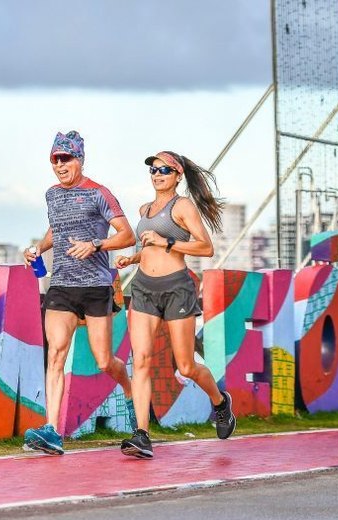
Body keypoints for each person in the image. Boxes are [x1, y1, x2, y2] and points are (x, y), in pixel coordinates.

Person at [22, 130, 138, 455]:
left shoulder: (99, 193)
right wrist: (37, 247)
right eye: (55, 159)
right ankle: (51, 431)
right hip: (61, 285)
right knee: (56, 354)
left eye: (66, 158)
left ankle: (129, 389)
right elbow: (56, 229)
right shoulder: (51, 195)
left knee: (104, 361)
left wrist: (96, 244)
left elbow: (127, 235)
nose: (60, 165)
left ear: (79, 160)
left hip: (96, 286)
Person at [116, 151, 236, 459]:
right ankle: (141, 435)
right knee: (140, 361)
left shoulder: (182, 206)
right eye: (154, 170)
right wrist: (133, 257)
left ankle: (221, 402)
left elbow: (205, 247)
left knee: (186, 365)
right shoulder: (144, 209)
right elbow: (150, 248)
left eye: (164, 170)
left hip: (177, 289)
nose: (157, 175)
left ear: (177, 175)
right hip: (143, 288)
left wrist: (166, 242)